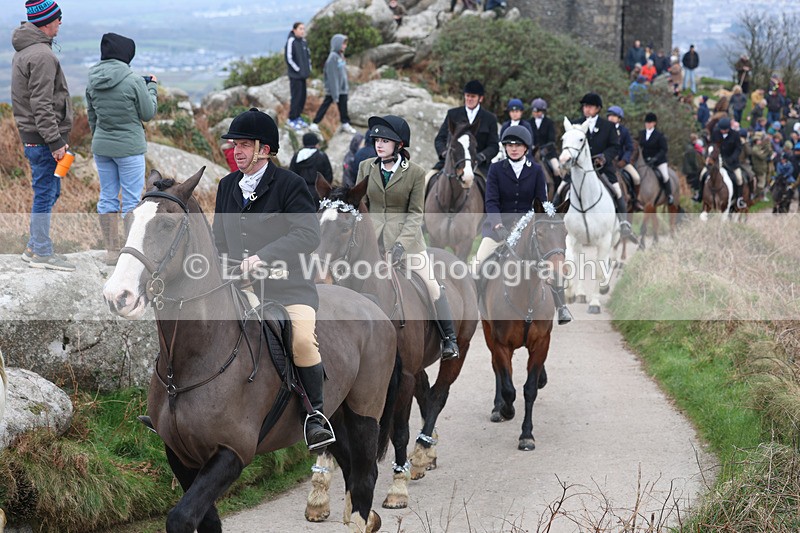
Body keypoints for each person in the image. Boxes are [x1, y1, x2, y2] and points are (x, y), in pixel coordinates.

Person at [212, 108, 334, 451]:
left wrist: (262, 257)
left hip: (288, 289)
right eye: (234, 144)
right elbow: (218, 238)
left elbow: (308, 235)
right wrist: (223, 265)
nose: (236, 150)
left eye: (244, 144)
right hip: (240, 288)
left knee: (303, 343)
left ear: (265, 149)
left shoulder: (291, 185)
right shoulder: (226, 186)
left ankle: (315, 417)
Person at [358, 115, 460, 359]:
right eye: (377, 140)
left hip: (409, 243)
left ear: (399, 145)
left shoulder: (415, 173)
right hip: (372, 241)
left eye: (385, 141)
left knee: (432, 284)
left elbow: (416, 214)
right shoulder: (366, 167)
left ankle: (449, 339)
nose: (379, 145)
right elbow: (361, 205)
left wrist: (401, 245)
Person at [473, 125, 573, 325]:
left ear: (526, 148)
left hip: (529, 229)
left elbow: (542, 203)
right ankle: (476, 309)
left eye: (518, 145)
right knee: (478, 264)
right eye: (509, 145)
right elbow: (491, 202)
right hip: (498, 229)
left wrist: (539, 225)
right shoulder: (495, 169)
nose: (513, 148)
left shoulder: (536, 170)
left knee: (551, 262)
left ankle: (561, 306)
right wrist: (498, 226)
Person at [86, 32, 158, 266]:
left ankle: (111, 251)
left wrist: (99, 137)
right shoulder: (134, 80)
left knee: (107, 197)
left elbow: (92, 115)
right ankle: (129, 252)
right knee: (130, 200)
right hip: (129, 147)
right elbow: (148, 114)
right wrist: (152, 89)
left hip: (102, 146)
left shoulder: (92, 78)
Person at [12, 0, 75, 271]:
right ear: (47, 21)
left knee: (50, 190)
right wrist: (55, 141)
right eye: (58, 18)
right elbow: (41, 104)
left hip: (36, 137)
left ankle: (34, 245)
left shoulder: (28, 50)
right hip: (43, 139)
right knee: (45, 192)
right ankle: (41, 252)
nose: (61, 22)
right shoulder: (41, 55)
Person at [554, 93, 631, 236]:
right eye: (585, 106)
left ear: (598, 108)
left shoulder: (608, 126)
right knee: (560, 189)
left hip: (602, 168)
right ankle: (552, 220)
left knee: (617, 190)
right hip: (578, 168)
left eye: (590, 106)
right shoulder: (575, 124)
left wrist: (604, 157)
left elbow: (614, 147)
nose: (586, 109)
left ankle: (623, 222)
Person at [434, 80, 499, 178]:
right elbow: (439, 139)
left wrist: (481, 156)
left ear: (480, 98)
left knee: (493, 188)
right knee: (426, 181)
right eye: (467, 96)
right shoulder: (453, 114)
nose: (469, 99)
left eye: (473, 96)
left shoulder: (490, 119)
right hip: (452, 163)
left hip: (478, 165)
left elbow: (494, 146)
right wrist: (445, 153)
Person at [309, 34, 356, 135]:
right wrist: (335, 95)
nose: (345, 46)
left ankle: (345, 123)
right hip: (334, 89)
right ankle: (315, 123)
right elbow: (332, 77)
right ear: (337, 44)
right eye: (343, 44)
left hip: (342, 88)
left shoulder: (340, 56)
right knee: (325, 105)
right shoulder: (332, 58)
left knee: (343, 106)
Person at [696, 117, 745, 207]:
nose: (722, 131)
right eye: (721, 129)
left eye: (725, 130)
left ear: (729, 128)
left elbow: (738, 149)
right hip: (716, 160)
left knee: (739, 178)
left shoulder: (735, 135)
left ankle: (739, 199)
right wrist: (711, 157)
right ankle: (699, 195)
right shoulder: (715, 133)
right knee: (702, 174)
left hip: (731, 162)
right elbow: (712, 146)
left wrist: (732, 158)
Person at [606, 106, 642, 211]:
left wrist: (624, 160)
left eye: (614, 116)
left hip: (621, 162)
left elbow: (629, 148)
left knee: (636, 178)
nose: (611, 118)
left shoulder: (624, 131)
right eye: (609, 116)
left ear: (619, 118)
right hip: (606, 161)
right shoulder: (604, 129)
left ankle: (635, 201)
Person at [289, 132, 333, 205]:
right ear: (316, 143)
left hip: (300, 191)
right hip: (319, 192)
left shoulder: (297, 156)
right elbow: (328, 175)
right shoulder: (322, 156)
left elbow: (291, 174)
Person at [638, 113, 672, 205]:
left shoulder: (659, 135)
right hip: (645, 161)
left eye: (650, 123)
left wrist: (655, 158)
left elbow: (664, 149)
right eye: (646, 122)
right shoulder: (641, 133)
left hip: (659, 161)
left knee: (665, 176)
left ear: (654, 123)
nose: (648, 124)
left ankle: (669, 195)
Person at [285, 22, 312, 131]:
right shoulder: (291, 41)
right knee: (296, 97)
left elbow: (308, 57)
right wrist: (298, 70)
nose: (302, 31)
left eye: (303, 29)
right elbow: (289, 58)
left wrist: (308, 69)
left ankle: (298, 117)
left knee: (302, 97)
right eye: (300, 28)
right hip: (295, 76)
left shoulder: (303, 42)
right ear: (294, 30)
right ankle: (292, 119)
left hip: (303, 76)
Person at [529, 98, 561, 178]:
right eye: (534, 111)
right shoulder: (529, 122)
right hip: (532, 153)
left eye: (538, 111)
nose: (536, 113)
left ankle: (558, 189)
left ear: (543, 111)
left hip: (547, 152)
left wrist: (543, 151)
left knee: (557, 169)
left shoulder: (549, 122)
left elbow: (552, 140)